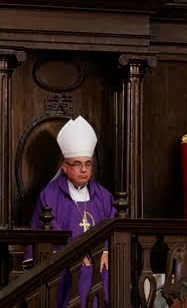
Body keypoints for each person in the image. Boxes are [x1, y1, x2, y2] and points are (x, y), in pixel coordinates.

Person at [25, 116, 115, 308]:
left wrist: (106, 250)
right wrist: (72, 253)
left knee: (109, 272)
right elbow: (46, 233)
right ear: (65, 167)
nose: (84, 170)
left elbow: (113, 226)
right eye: (77, 164)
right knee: (80, 272)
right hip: (65, 264)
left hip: (100, 261)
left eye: (88, 164)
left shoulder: (104, 196)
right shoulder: (49, 195)